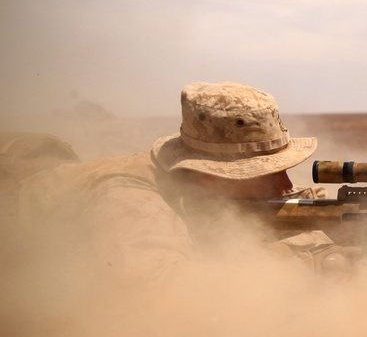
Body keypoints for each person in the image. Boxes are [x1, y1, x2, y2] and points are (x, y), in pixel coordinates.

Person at [16, 82, 345, 284]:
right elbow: (159, 291)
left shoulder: (214, 191)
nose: (284, 183)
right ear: (208, 173)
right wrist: (308, 262)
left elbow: (276, 217)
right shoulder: (128, 195)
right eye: (265, 171)